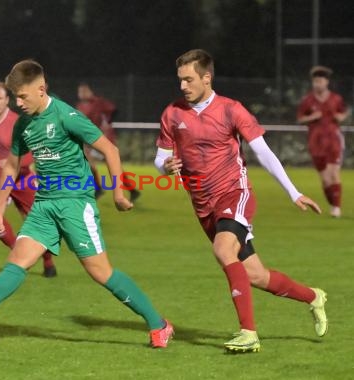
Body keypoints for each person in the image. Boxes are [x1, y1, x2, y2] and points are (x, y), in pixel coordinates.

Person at [0, 60, 174, 348]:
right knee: (16, 263)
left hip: (75, 205)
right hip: (44, 205)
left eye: (23, 96)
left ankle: (159, 324)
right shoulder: (23, 124)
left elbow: (109, 149)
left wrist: (119, 193)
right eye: (15, 97)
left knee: (101, 272)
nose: (18, 103)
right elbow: (11, 166)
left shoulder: (66, 116)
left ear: (41, 89)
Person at [154, 49, 327, 353]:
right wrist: (165, 167)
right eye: (180, 80)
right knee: (256, 275)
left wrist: (293, 191)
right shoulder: (172, 113)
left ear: (207, 78)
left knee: (223, 250)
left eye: (189, 79)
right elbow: (160, 159)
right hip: (202, 204)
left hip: (235, 193)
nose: (183, 86)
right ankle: (313, 297)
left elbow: (263, 152)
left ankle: (248, 333)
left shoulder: (231, 109)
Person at [0, 80, 56, 277]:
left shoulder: (20, 122)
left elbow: (36, 149)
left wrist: (17, 162)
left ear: (7, 100)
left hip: (22, 180)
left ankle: (48, 261)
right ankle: (18, 253)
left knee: (36, 224)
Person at [297, 66, 349, 218]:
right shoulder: (308, 100)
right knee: (325, 179)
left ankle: (336, 208)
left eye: (320, 81)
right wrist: (312, 117)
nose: (317, 84)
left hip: (333, 140)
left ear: (326, 82)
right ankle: (333, 203)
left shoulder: (336, 99)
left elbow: (343, 112)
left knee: (334, 174)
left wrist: (340, 117)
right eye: (315, 81)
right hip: (316, 141)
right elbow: (300, 118)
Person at [76, 83, 141, 202]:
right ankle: (97, 188)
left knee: (113, 166)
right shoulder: (79, 106)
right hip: (87, 138)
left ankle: (132, 190)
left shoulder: (99, 102)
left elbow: (114, 110)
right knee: (87, 163)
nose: (82, 94)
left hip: (102, 137)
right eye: (80, 91)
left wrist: (107, 124)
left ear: (90, 91)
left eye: (84, 91)